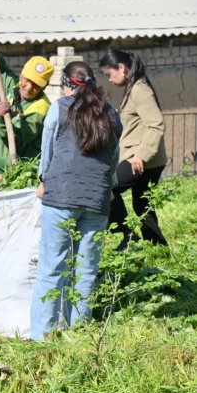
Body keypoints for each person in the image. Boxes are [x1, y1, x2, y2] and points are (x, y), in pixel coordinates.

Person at [30, 61, 122, 341]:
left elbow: (48, 149)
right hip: (97, 199)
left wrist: (43, 179)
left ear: (67, 84)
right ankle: (79, 335)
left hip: (61, 196)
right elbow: (114, 155)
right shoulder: (112, 114)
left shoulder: (59, 109)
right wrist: (110, 186)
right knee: (86, 269)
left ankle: (42, 337)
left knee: (52, 267)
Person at [0, 35, 54, 307]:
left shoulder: (42, 110)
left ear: (43, 86)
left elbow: (15, 134)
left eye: (34, 84)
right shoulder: (14, 89)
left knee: (8, 230)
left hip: (17, 177)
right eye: (26, 80)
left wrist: (3, 116)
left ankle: (4, 283)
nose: (27, 87)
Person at [100, 49, 168, 249]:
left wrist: (141, 154)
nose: (110, 80)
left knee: (106, 186)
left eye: (109, 75)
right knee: (142, 205)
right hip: (147, 159)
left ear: (121, 68)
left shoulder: (140, 89)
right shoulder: (134, 86)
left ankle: (127, 234)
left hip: (141, 159)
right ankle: (158, 248)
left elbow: (156, 124)